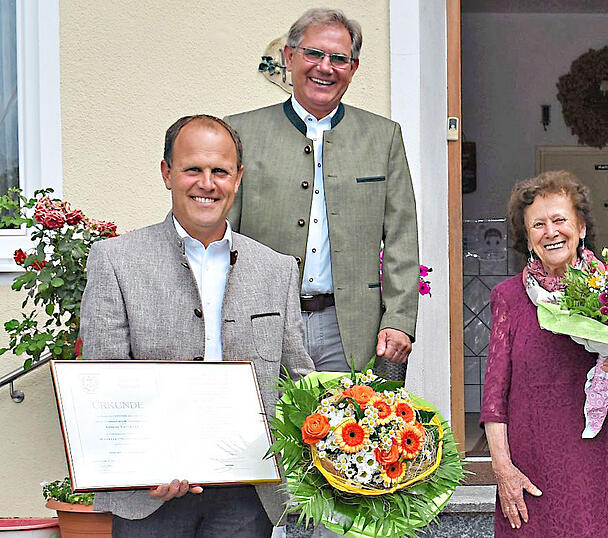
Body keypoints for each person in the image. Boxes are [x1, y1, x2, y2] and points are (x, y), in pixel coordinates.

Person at [79, 115, 314, 537]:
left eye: (220, 171)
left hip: (246, 494)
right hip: (148, 496)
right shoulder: (115, 261)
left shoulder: (276, 269)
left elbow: (298, 380)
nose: (207, 183)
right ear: (167, 173)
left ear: (237, 178)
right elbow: (104, 382)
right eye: (193, 169)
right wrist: (143, 463)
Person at [225, 7, 419, 375]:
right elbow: (222, 235)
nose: (324, 67)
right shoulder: (241, 133)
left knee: (349, 431)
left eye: (338, 59)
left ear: (354, 68)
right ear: (289, 57)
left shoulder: (383, 137)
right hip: (262, 322)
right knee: (263, 430)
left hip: (350, 330)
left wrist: (399, 318)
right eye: (313, 54)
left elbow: (401, 238)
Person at [480, 170, 608, 537]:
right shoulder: (509, 298)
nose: (551, 231)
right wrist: (502, 470)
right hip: (533, 464)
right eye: (538, 224)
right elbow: (494, 397)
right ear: (528, 238)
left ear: (582, 228)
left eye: (560, 220)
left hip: (601, 458)